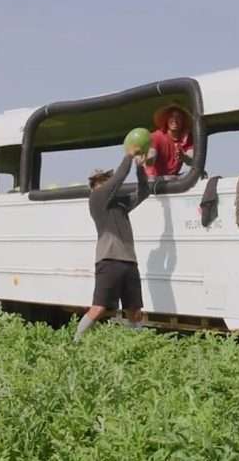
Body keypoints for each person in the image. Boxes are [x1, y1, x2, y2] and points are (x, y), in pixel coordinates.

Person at [74, 145, 151, 342]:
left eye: (105, 179)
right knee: (99, 308)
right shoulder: (96, 198)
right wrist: (129, 156)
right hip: (108, 260)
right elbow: (118, 180)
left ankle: (137, 345)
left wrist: (140, 168)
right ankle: (75, 342)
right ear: (93, 186)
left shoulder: (121, 203)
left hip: (129, 261)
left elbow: (143, 192)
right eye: (100, 181)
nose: (104, 183)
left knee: (134, 310)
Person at [145, 104, 194, 179]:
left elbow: (192, 160)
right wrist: (146, 159)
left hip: (174, 178)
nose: (175, 120)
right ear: (166, 119)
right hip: (155, 179)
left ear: (183, 121)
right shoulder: (156, 136)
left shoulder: (187, 138)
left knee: (198, 174)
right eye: (171, 116)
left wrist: (184, 157)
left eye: (179, 117)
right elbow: (151, 156)